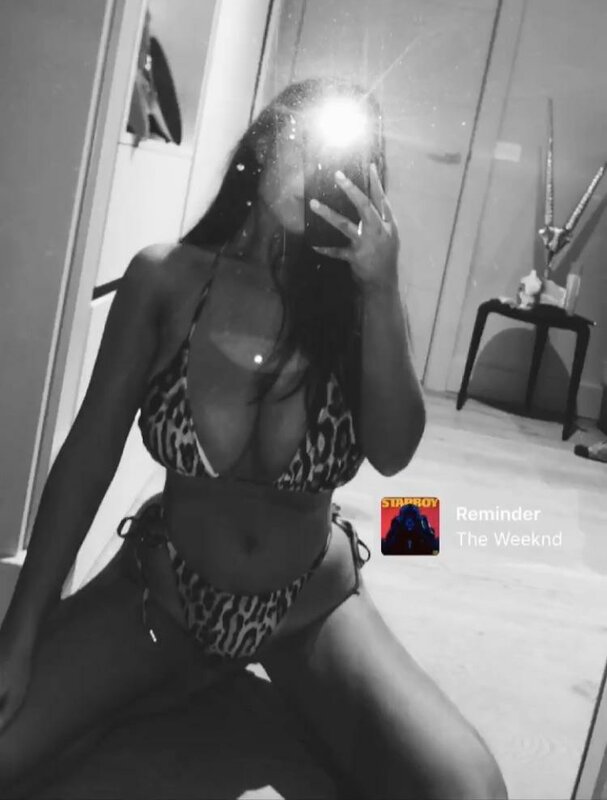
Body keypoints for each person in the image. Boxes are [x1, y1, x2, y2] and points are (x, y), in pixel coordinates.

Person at [0, 78, 508, 799]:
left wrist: (379, 288)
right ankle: (191, 676)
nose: (311, 167)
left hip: (309, 606)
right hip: (165, 593)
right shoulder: (166, 280)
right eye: (300, 142)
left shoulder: (357, 304)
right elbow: (89, 454)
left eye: (337, 157)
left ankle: (202, 685)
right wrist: (21, 632)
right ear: (262, 146)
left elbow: (395, 453)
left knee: (469, 791)